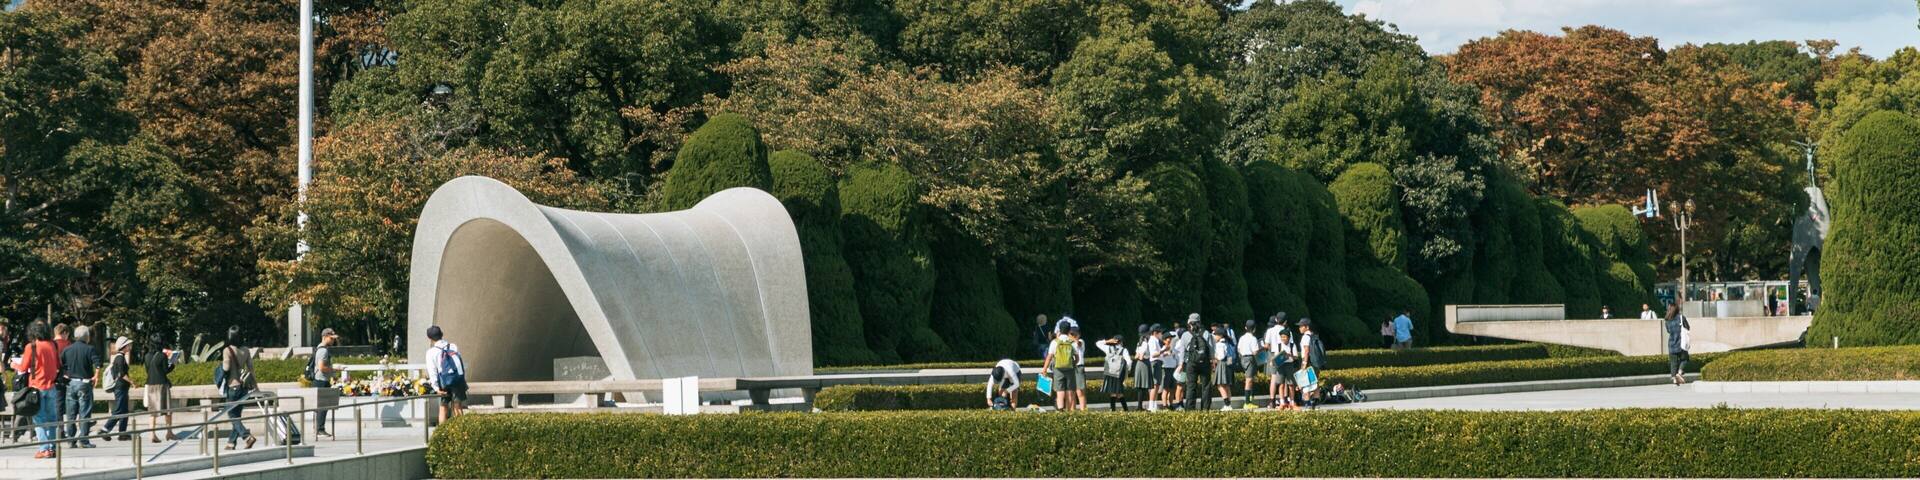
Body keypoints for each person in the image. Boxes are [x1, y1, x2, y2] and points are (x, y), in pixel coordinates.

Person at [13, 322, 60, 458]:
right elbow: (58, 365)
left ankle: (44, 449)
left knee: (39, 419)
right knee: (52, 419)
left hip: (36, 388)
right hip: (51, 386)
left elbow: (23, 368)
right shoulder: (53, 345)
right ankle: (52, 447)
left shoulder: (31, 347)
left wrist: (13, 364)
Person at [58, 325, 98, 449]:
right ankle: (84, 440)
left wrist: (66, 374)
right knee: (84, 413)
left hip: (70, 383)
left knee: (71, 413)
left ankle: (70, 440)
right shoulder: (90, 349)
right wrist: (96, 376)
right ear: (87, 336)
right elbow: (97, 364)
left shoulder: (67, 349)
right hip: (84, 383)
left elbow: (61, 365)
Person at [219, 326, 258, 450]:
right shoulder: (246, 350)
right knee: (237, 416)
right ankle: (231, 443)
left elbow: (225, 368)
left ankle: (247, 437)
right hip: (243, 388)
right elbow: (251, 368)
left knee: (232, 415)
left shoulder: (227, 350)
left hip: (233, 386)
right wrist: (256, 386)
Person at [424, 325, 469, 423]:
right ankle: (461, 432)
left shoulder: (431, 352)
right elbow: (458, 363)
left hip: (444, 382)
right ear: (442, 334)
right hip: (457, 380)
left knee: (443, 407)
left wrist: (436, 388)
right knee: (458, 405)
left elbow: (432, 371)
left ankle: (442, 435)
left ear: (430, 338)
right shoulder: (453, 346)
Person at [96, 337, 133, 441]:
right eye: (128, 345)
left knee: (124, 411)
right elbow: (122, 374)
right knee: (119, 410)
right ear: (124, 346)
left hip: (122, 388)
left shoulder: (119, 357)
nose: (129, 347)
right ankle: (105, 429)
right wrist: (132, 382)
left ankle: (122, 433)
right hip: (120, 387)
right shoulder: (120, 358)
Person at [144, 333, 176, 443]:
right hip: (162, 385)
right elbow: (165, 371)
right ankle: (169, 432)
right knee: (167, 410)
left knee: (153, 411)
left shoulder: (147, 356)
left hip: (150, 385)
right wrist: (172, 364)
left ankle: (152, 434)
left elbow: (147, 371)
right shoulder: (162, 356)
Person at [1041, 323, 1079, 411]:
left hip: (1058, 369)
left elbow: (1049, 357)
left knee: (1060, 391)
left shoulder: (1055, 342)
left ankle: (1060, 410)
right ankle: (1069, 411)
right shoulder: (1072, 342)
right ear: (1069, 331)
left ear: (1059, 330)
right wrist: (1073, 364)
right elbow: (1077, 358)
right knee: (1070, 391)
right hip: (1070, 369)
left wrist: (1044, 369)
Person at [311, 328, 340, 437]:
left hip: (321, 380)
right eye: (331, 338)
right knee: (323, 406)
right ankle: (320, 429)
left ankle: (319, 428)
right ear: (325, 337)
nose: (333, 341)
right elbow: (322, 367)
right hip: (321, 381)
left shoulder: (320, 348)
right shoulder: (323, 350)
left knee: (323, 406)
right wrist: (334, 369)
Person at [1182, 316, 1211, 411]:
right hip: (1205, 363)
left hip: (1191, 363)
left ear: (1190, 323)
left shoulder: (1185, 335)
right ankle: (1205, 409)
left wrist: (1182, 362)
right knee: (1206, 386)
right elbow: (1211, 349)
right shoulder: (1206, 333)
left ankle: (1190, 409)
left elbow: (1182, 351)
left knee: (1191, 386)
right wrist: (1212, 360)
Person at [1296, 318, 1325, 409]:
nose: (1299, 328)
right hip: (1315, 362)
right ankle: (1315, 402)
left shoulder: (1305, 337)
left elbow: (1306, 351)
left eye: (1301, 326)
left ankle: (1307, 403)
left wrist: (1304, 364)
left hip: (1308, 362)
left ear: (1307, 327)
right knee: (1315, 383)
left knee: (1306, 384)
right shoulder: (1314, 336)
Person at [1099, 334, 1131, 411]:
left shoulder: (1108, 348)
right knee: (1119, 392)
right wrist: (1127, 371)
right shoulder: (1124, 350)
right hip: (1119, 373)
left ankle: (1113, 410)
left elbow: (1098, 343)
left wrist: (1107, 341)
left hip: (1109, 372)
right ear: (1121, 342)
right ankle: (1125, 410)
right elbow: (1129, 361)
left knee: (1113, 392)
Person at [1665, 303, 1691, 386]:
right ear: (1677, 309)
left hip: (1671, 343)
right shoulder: (1681, 318)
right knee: (1685, 359)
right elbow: (1688, 327)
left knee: (1673, 362)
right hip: (1681, 343)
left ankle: (1674, 380)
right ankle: (1679, 373)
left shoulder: (1667, 319)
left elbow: (1668, 331)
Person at [1130, 325, 1154, 411]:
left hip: (1138, 365)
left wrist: (1140, 356)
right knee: (1144, 387)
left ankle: (1139, 406)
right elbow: (1140, 356)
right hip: (1144, 363)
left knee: (1140, 387)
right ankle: (1140, 407)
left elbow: (1136, 356)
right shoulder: (1145, 343)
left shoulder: (1139, 343)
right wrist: (1143, 356)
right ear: (1147, 333)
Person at [1236, 321, 1259, 405]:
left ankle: (1249, 398)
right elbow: (1255, 352)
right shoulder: (1253, 339)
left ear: (1245, 328)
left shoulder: (1242, 338)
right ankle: (1247, 402)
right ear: (1254, 329)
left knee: (1249, 379)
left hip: (1242, 358)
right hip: (1250, 358)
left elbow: (1238, 349)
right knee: (1249, 379)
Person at [1167, 321, 1189, 410]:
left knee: (1182, 387)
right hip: (1181, 366)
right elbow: (1176, 354)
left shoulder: (1180, 342)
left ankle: (1181, 403)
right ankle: (1178, 403)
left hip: (1183, 365)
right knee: (1179, 387)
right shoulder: (1180, 343)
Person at [1210, 327, 1233, 411]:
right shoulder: (1228, 342)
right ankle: (1229, 404)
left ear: (1220, 335)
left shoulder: (1220, 344)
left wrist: (1214, 357)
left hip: (1222, 364)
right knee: (1226, 385)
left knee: (1220, 385)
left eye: (1215, 335)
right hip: (1228, 364)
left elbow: (1221, 356)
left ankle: (1227, 404)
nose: (1214, 337)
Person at [1070, 325, 1088, 411]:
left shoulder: (1081, 341)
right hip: (1070, 368)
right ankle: (1073, 411)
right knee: (1072, 392)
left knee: (1080, 391)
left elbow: (1078, 344)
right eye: (1071, 334)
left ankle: (1083, 411)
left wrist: (1073, 338)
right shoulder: (1067, 343)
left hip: (1079, 367)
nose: (1072, 335)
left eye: (1074, 334)